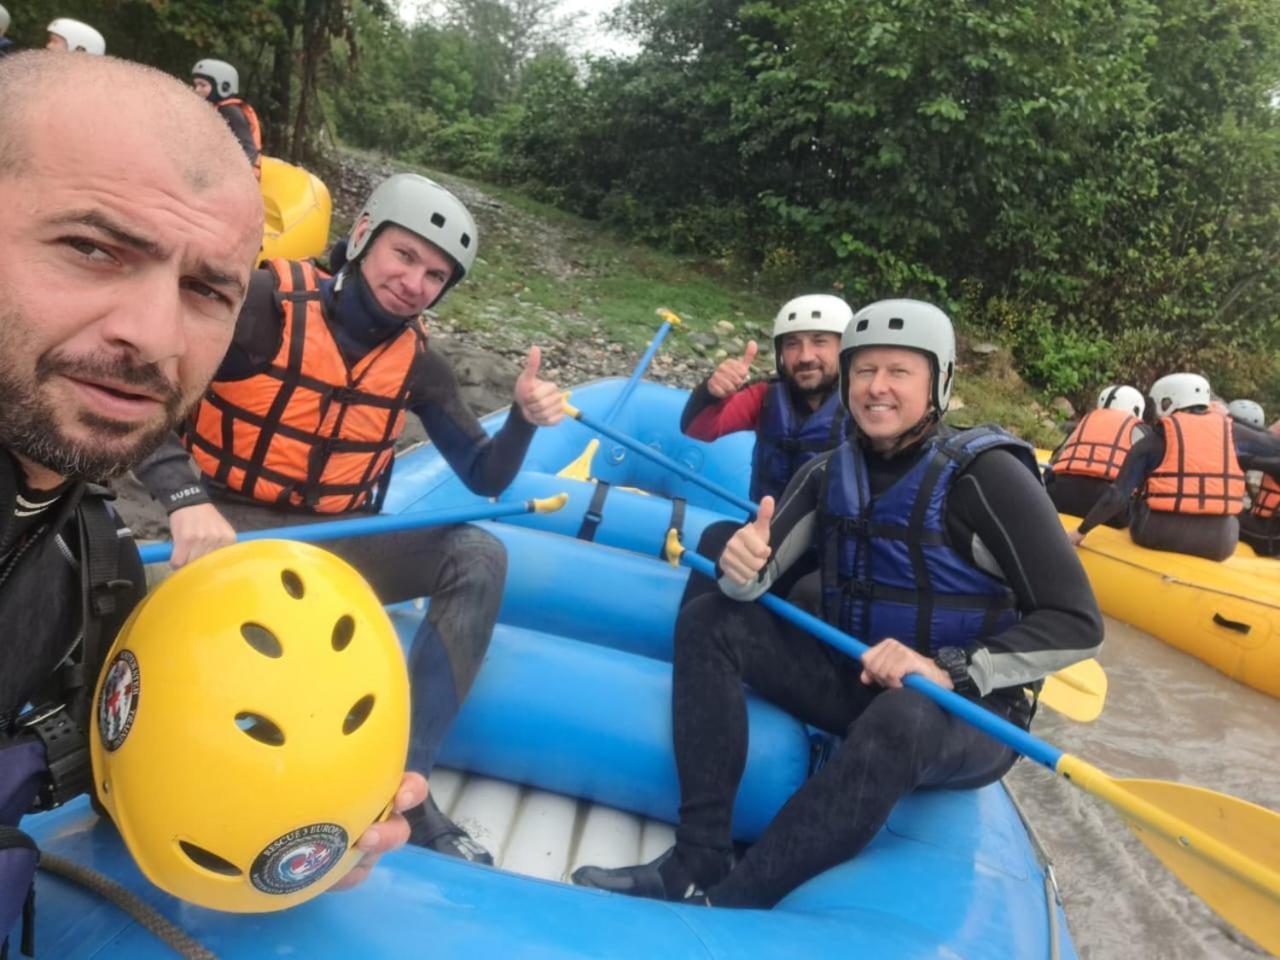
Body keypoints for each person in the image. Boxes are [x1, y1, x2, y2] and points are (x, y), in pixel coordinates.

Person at [0, 52, 422, 954]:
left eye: (205, 290)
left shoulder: (89, 566)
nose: (152, 336)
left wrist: (276, 810)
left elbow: (71, 744)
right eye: (92, 248)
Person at [573, 299, 1102, 908]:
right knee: (716, 616)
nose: (876, 388)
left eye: (899, 372)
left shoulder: (988, 477)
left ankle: (735, 903)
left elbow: (1078, 624)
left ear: (940, 382)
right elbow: (755, 583)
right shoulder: (829, 473)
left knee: (904, 714)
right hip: (855, 676)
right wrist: (742, 570)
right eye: (864, 370)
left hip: (965, 711)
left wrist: (946, 668)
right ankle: (699, 856)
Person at [135, 172, 565, 863]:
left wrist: (521, 418)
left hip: (339, 542)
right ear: (362, 237)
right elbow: (139, 400)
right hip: (230, 527)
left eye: (436, 275)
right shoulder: (264, 307)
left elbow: (487, 477)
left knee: (479, 555)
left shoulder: (419, 364)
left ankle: (405, 783)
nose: (415, 282)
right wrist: (186, 500)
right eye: (405, 255)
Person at [678, 293, 852, 605]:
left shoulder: (864, 409)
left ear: (845, 349)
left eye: (820, 341)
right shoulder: (765, 396)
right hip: (764, 535)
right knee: (717, 539)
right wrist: (712, 392)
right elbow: (699, 429)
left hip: (832, 552)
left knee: (812, 592)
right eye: (792, 344)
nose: (805, 356)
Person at [1070, 373, 1248, 561]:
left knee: (1138, 500)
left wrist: (1080, 532)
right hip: (1220, 543)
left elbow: (1117, 496)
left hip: (1158, 534)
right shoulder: (1232, 435)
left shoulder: (1152, 441)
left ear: (1168, 402)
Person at [1045, 384, 1149, 523]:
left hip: (1060, 497)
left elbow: (1055, 460)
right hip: (1109, 510)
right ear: (1137, 409)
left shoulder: (1085, 421)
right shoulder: (1141, 430)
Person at [191, 58, 261, 177]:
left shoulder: (230, 111)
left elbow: (249, 149)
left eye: (203, 85)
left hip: (240, 181)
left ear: (224, 86)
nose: (197, 90)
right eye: (196, 85)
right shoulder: (216, 110)